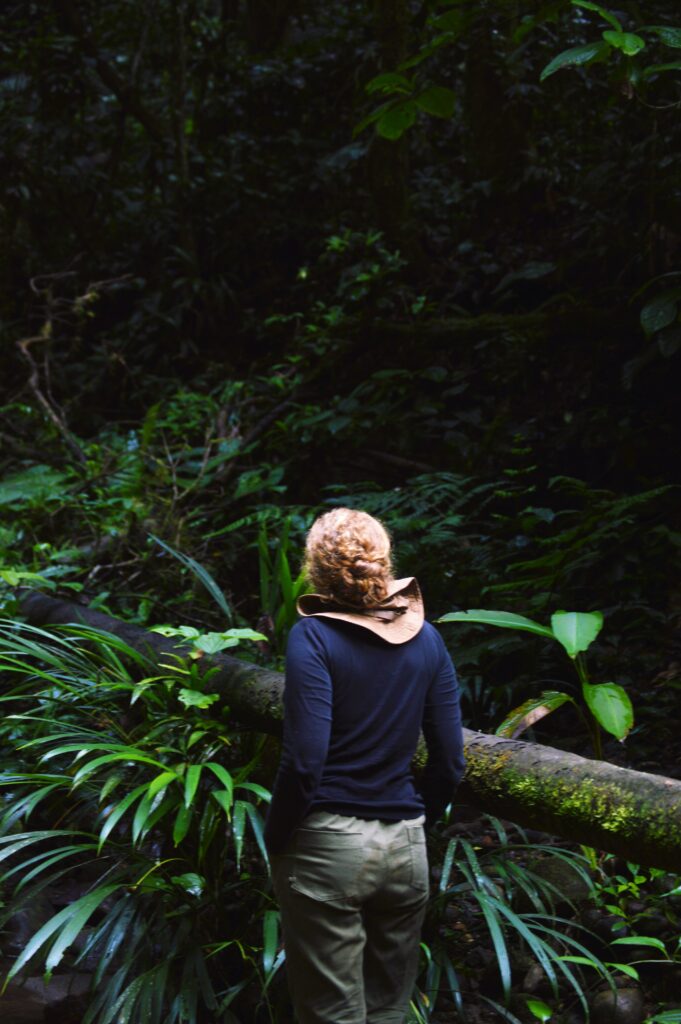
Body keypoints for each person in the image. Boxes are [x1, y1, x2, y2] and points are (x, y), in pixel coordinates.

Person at [264, 508, 465, 1024]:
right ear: (383, 560)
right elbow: (449, 761)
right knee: (388, 1011)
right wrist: (418, 819)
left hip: (328, 845)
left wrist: (278, 835)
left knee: (333, 1014)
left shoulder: (313, 638)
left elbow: (306, 760)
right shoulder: (427, 639)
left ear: (315, 568)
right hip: (406, 846)